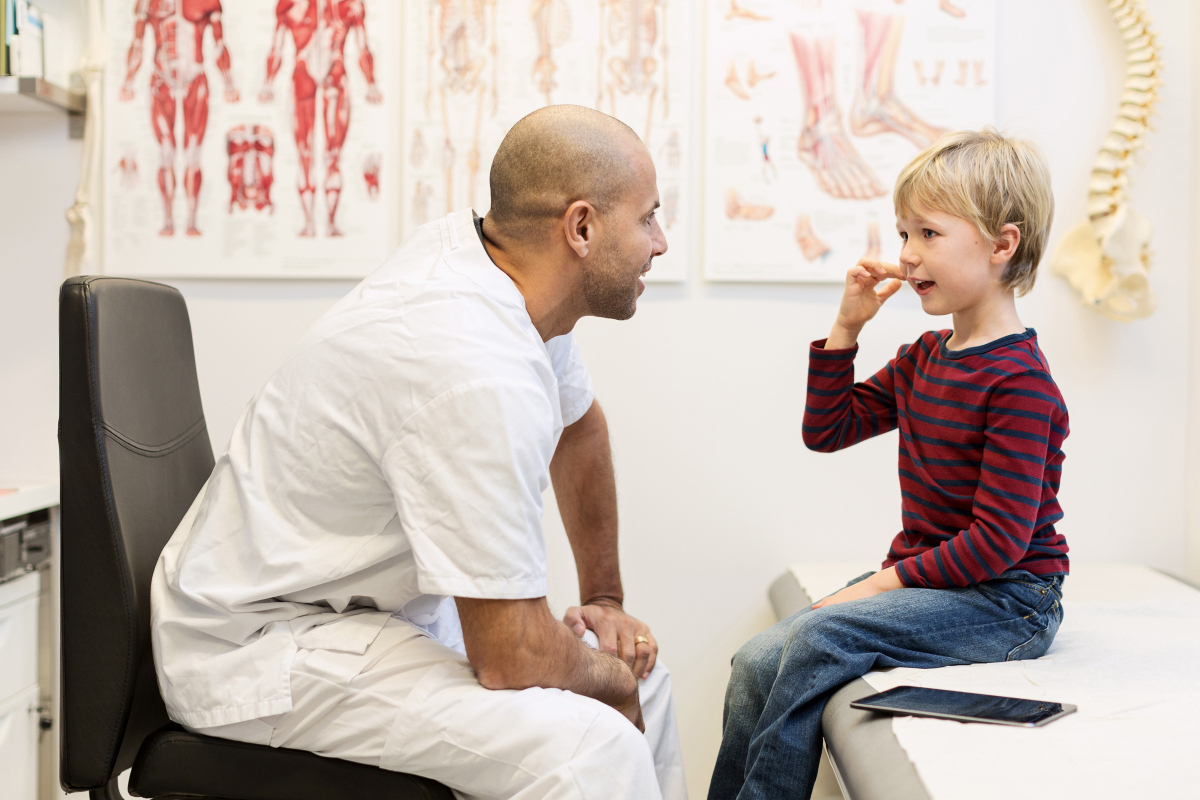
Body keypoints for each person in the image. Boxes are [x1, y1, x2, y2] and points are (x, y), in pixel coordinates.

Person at [151, 105, 687, 800]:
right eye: (648, 218)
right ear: (580, 228)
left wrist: (604, 601)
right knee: (595, 748)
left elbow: (578, 427)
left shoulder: (501, 276)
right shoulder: (469, 361)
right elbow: (510, 652)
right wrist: (606, 681)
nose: (661, 242)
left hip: (356, 614)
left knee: (644, 680)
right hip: (256, 644)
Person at [708, 128, 1069, 800]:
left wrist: (876, 586)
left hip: (1010, 600)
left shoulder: (1020, 383)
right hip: (939, 584)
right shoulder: (924, 358)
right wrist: (846, 328)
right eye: (904, 233)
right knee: (756, 660)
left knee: (820, 638)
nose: (905, 254)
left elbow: (998, 543)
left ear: (1002, 245)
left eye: (928, 233)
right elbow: (828, 430)